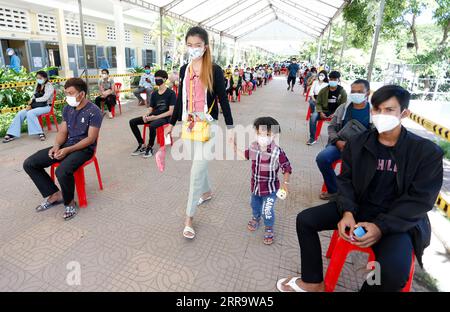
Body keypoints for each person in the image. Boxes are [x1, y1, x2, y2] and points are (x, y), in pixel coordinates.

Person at [278, 85, 443, 292]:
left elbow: (420, 201)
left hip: (397, 221)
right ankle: (313, 282)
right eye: (376, 109)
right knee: (305, 220)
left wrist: (380, 227)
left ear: (404, 113)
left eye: (389, 110)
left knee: (393, 273)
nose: (381, 115)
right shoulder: (358, 143)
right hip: (359, 208)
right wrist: (347, 211)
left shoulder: (426, 153)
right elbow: (345, 181)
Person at [166, 26, 234, 239]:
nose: (193, 49)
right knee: (198, 162)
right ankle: (206, 192)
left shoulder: (214, 69)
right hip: (190, 124)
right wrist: (171, 122)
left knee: (195, 171)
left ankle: (188, 220)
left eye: (197, 45)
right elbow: (180, 100)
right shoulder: (185, 68)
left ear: (205, 47)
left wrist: (231, 128)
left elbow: (223, 99)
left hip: (209, 125)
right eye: (189, 45)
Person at [23, 78, 103, 221]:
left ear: (82, 94)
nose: (68, 97)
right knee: (30, 163)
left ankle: (70, 202)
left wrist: (68, 150)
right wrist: (57, 146)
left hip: (85, 148)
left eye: (71, 93)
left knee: (62, 170)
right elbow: (62, 132)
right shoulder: (67, 108)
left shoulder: (94, 111)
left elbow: (90, 139)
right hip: (66, 145)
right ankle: (54, 194)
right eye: (66, 93)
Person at [230, 117, 292, 245]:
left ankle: (269, 227)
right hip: (256, 187)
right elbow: (245, 156)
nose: (262, 137)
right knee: (255, 205)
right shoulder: (253, 147)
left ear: (274, 135)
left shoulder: (277, 151)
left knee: (267, 210)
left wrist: (285, 184)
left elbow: (286, 167)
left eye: (267, 134)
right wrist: (234, 146)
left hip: (270, 189)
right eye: (259, 133)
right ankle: (256, 218)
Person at [317, 79, 373, 201]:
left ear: (367, 93)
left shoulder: (373, 112)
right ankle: (334, 190)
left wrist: (358, 145)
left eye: (359, 91)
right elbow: (331, 127)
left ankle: (355, 194)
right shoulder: (343, 108)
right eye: (353, 91)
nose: (355, 94)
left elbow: (376, 136)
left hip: (363, 148)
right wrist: (337, 141)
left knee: (364, 167)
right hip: (340, 144)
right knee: (322, 158)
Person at [129, 70, 176, 158]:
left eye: (159, 78)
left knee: (152, 125)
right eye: (156, 78)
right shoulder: (154, 93)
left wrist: (155, 117)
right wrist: (146, 115)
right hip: (154, 115)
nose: (157, 80)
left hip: (165, 117)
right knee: (132, 122)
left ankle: (150, 147)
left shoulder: (171, 93)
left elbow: (171, 112)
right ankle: (142, 145)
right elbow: (150, 108)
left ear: (164, 79)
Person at [3, 71, 54, 143]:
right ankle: (11, 133)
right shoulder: (38, 84)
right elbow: (33, 95)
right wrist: (30, 105)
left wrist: (34, 100)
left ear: (45, 78)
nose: (38, 79)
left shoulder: (49, 86)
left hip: (46, 107)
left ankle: (40, 133)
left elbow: (45, 98)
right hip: (36, 106)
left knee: (30, 113)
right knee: (20, 113)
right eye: (37, 78)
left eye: (40, 78)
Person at [307, 71, 347, 145]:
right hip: (324, 111)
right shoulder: (324, 90)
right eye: (331, 79)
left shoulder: (342, 92)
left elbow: (343, 105)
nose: (333, 81)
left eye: (335, 80)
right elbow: (318, 102)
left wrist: (335, 114)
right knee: (313, 117)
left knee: (342, 121)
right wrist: (320, 112)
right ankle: (312, 138)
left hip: (336, 113)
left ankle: (336, 139)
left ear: (338, 80)